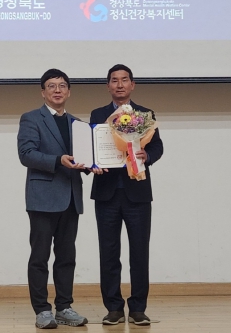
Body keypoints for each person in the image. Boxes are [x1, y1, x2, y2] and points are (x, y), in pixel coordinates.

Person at [90, 64, 164, 326]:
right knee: (108, 253)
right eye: (114, 80)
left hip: (138, 193)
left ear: (132, 84)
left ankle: (138, 309)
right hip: (106, 193)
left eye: (124, 80)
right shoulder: (98, 114)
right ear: (108, 86)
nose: (119, 85)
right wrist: (93, 163)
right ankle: (113, 308)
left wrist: (147, 155)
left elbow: (157, 146)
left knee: (139, 253)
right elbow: (93, 148)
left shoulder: (145, 114)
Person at [17, 68, 91, 329]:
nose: (57, 90)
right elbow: (26, 154)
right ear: (43, 92)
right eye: (51, 86)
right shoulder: (31, 118)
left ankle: (64, 307)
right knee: (39, 257)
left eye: (62, 86)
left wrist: (92, 165)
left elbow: (82, 158)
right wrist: (58, 160)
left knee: (67, 257)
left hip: (70, 197)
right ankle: (42, 310)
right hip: (43, 198)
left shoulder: (78, 124)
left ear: (69, 91)